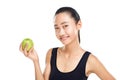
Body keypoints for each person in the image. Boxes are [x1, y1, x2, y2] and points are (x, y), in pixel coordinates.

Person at [19, 6, 115, 80]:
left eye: (65, 26)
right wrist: (35, 61)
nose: (60, 32)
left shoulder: (90, 60)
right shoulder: (51, 53)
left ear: (79, 25)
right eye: (57, 28)